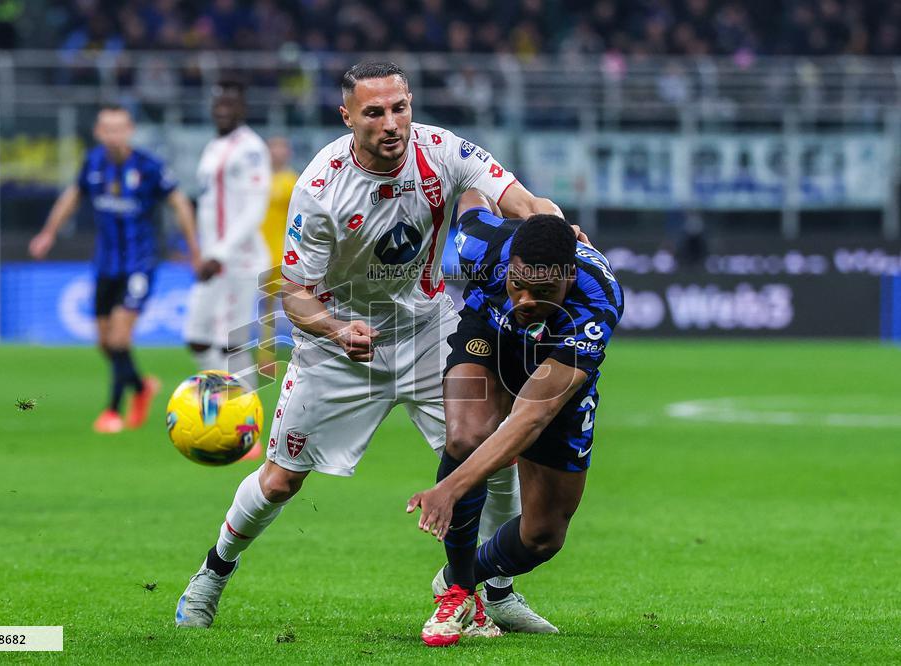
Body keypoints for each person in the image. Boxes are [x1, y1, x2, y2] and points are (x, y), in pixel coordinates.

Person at [174, 62, 563, 634]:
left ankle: (496, 591)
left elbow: (522, 202)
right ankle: (212, 574)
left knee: (492, 452)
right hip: (340, 345)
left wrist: (555, 231)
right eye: (374, 112)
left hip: (430, 332)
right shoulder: (320, 186)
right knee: (281, 479)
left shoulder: (441, 149)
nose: (391, 123)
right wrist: (335, 329)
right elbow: (295, 295)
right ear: (348, 116)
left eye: (399, 108)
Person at [406, 190, 623, 646]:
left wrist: (449, 488)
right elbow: (471, 191)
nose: (524, 299)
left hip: (553, 365)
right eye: (516, 284)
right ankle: (462, 594)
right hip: (489, 340)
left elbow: (530, 418)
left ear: (568, 275)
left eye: (541, 292)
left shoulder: (596, 302)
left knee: (543, 535)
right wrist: (527, 204)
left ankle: (457, 576)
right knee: (465, 437)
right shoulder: (483, 243)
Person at [29, 105, 199, 434]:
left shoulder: (148, 167)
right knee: (105, 344)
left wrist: (193, 250)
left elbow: (178, 202)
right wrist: (48, 232)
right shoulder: (93, 163)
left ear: (130, 130)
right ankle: (141, 386)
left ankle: (112, 412)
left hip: (140, 264)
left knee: (120, 338)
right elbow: (73, 195)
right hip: (105, 264)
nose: (113, 135)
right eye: (107, 128)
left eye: (119, 128)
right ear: (98, 132)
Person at [185, 81, 271, 402]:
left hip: (240, 260)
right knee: (196, 337)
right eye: (218, 104)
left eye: (230, 104)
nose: (223, 110)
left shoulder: (250, 148)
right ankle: (223, 400)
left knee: (230, 342)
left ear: (243, 109)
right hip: (213, 260)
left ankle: (245, 418)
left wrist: (221, 252)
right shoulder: (213, 147)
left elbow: (254, 208)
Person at [257, 135, 298, 379]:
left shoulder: (293, 181)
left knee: (295, 305)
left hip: (283, 254)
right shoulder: (257, 180)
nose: (277, 154)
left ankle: (302, 353)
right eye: (274, 149)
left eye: (281, 149)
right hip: (258, 254)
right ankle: (265, 356)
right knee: (265, 308)